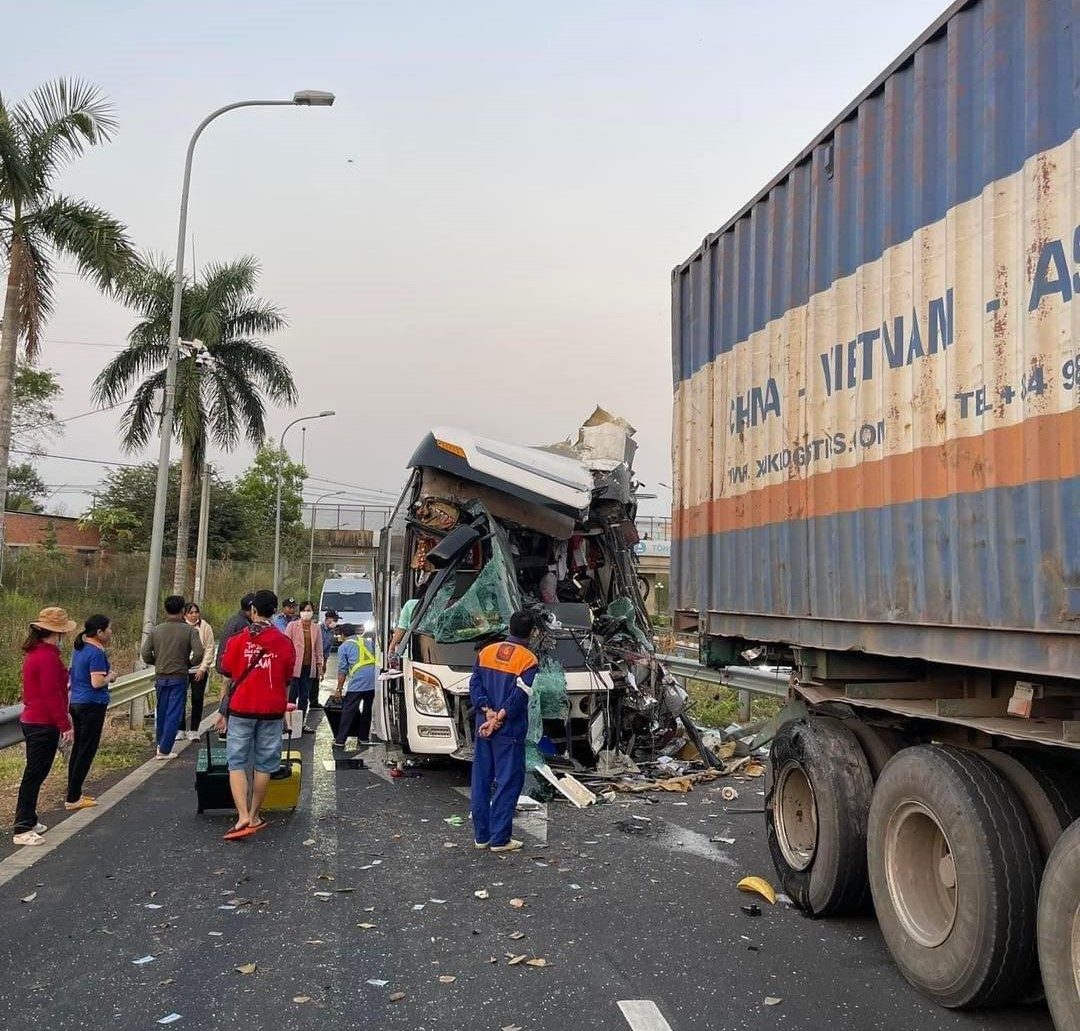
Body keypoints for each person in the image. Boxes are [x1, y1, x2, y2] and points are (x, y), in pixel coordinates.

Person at [216, 589, 295, 840]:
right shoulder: (284, 643)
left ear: (252, 611)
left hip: (240, 708)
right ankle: (255, 814)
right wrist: (282, 709)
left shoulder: (236, 642)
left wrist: (222, 711)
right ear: (275, 611)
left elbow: (228, 678)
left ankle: (242, 816)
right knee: (265, 763)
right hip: (272, 709)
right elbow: (286, 681)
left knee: (236, 761)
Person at [469, 610, 539, 853]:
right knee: (508, 781)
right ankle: (500, 839)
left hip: (483, 725)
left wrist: (487, 711)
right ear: (532, 633)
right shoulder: (528, 659)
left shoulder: (486, 652)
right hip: (508, 729)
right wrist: (500, 717)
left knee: (481, 779)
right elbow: (520, 694)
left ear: (509, 628)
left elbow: (475, 683)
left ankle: (482, 837)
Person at [13, 607, 77, 846]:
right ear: (56, 633)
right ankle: (22, 827)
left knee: (36, 772)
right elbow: (52, 694)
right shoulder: (48, 657)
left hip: (34, 719)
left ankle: (29, 818)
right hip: (43, 722)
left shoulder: (36, 653)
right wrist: (64, 724)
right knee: (35, 773)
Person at [141, 595, 204, 760]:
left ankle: (160, 743)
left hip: (161, 675)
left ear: (166, 609)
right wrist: (189, 664)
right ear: (183, 611)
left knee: (161, 711)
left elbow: (145, 653)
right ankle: (165, 749)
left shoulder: (156, 630)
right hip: (179, 675)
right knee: (174, 713)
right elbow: (199, 653)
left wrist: (157, 661)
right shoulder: (190, 630)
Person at [66, 614, 118, 812]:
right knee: (86, 750)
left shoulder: (79, 648)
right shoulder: (96, 653)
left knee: (79, 749)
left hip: (77, 702)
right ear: (99, 631)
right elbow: (96, 682)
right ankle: (73, 797)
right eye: (109, 629)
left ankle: (74, 792)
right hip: (92, 704)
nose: (110, 632)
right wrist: (110, 676)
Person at [332, 623, 378, 748]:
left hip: (359, 680)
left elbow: (343, 671)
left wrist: (339, 690)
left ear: (342, 634)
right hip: (374, 679)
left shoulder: (344, 646)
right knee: (367, 709)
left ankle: (340, 740)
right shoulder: (368, 642)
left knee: (349, 709)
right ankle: (363, 738)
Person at [284, 600, 324, 733]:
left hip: (308, 667)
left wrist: (320, 666)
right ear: (300, 611)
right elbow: (285, 644)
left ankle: (300, 723)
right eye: (305, 610)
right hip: (294, 667)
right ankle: (288, 723)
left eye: (309, 610)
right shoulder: (292, 625)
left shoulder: (316, 627)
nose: (307, 613)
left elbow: (318, 648)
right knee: (292, 696)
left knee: (304, 696)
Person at [183, 602, 216, 740]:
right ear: (185, 614)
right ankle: (180, 728)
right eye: (191, 612)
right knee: (180, 700)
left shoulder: (205, 627)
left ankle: (194, 729)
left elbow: (209, 648)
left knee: (197, 699)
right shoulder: (181, 627)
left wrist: (203, 668)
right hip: (183, 670)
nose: (194, 615)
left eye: (196, 612)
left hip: (199, 670)